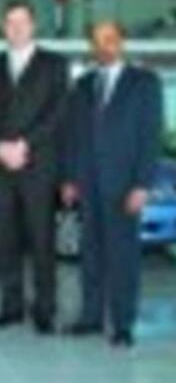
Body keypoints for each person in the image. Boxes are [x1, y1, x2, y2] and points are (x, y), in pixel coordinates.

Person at [62, 21, 163, 348]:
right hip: (87, 183)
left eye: (110, 39)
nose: (103, 46)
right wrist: (69, 178)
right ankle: (91, 317)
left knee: (123, 257)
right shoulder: (82, 85)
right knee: (90, 254)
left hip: (124, 186)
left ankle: (122, 324)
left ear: (122, 41)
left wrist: (142, 184)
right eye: (97, 41)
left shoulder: (144, 83)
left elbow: (150, 136)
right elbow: (73, 135)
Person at [0, 1, 69, 334]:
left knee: (42, 240)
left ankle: (45, 309)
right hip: (1, 166)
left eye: (22, 22)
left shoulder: (54, 64)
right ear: (3, 27)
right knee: (4, 239)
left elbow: (58, 112)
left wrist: (24, 144)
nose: (16, 28)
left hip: (38, 165)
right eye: (10, 22)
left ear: (33, 25)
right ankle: (11, 306)